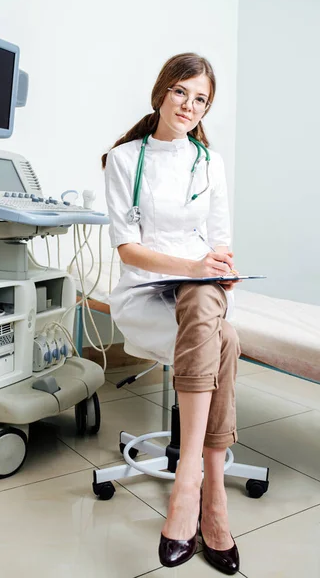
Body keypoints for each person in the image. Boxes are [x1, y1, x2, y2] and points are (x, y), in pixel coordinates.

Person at [103, 53, 241, 574]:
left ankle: (190, 485)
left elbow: (220, 245)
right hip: (143, 292)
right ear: (162, 91)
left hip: (198, 293)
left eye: (200, 98)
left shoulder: (209, 162)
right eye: (182, 92)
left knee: (204, 295)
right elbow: (129, 251)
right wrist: (192, 263)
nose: (189, 105)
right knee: (223, 339)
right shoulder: (123, 160)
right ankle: (211, 497)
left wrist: (218, 267)